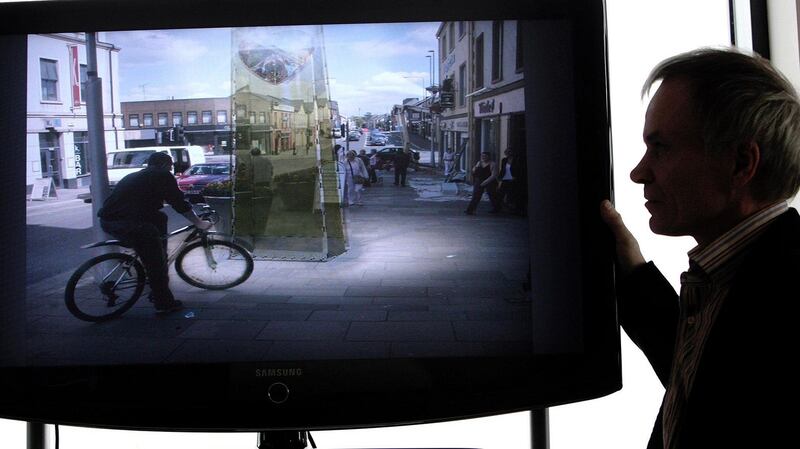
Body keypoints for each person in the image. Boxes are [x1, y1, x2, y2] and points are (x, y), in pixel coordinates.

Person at [600, 48, 800, 449]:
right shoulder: (740, 275)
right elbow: (712, 388)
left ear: (742, 163)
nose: (639, 173)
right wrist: (633, 272)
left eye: (661, 147)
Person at [98, 152, 212, 313]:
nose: (172, 168)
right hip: (129, 224)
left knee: (160, 218)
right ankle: (163, 303)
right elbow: (178, 202)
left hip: (110, 221)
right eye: (171, 165)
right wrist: (198, 222)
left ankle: (155, 278)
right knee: (156, 265)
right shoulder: (162, 175)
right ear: (164, 165)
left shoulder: (138, 175)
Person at [497, 148, 519, 213]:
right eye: (506, 152)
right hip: (505, 179)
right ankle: (499, 208)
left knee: (511, 194)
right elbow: (502, 169)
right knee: (501, 194)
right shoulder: (504, 160)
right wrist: (499, 178)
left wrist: (515, 177)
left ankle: (512, 208)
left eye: (509, 152)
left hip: (512, 179)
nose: (507, 153)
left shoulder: (516, 160)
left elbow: (518, 169)